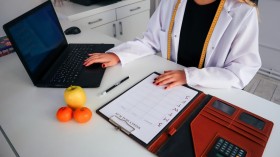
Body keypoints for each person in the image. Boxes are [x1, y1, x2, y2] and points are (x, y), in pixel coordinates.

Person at [84, 0, 261, 89]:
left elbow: (240, 72)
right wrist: (118, 55)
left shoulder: (243, 12)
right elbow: (150, 40)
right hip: (169, 84)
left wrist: (188, 76)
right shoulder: (171, 2)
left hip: (212, 87)